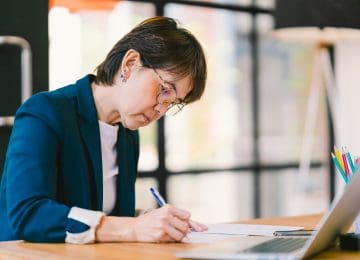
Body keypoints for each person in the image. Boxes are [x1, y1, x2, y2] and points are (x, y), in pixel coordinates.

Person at [0, 16, 207, 244]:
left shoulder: (127, 134)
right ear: (130, 64)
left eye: (172, 102)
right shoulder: (45, 112)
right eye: (165, 90)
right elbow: (29, 215)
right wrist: (133, 228)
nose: (161, 110)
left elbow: (105, 217)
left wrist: (150, 221)